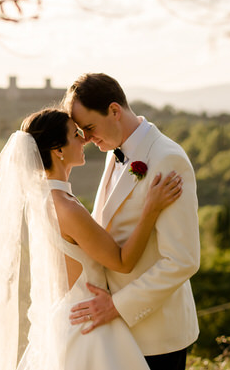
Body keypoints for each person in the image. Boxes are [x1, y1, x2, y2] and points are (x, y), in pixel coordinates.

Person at [0, 108, 183, 370]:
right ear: (58, 150)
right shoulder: (66, 208)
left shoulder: (42, 199)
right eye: (76, 134)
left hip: (63, 321)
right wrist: (151, 210)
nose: (85, 139)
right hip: (88, 329)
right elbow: (123, 262)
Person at [64, 73, 200, 370]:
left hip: (156, 334)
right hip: (117, 332)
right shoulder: (115, 154)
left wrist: (117, 306)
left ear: (114, 111)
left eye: (89, 127)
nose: (85, 139)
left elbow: (183, 260)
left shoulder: (167, 160)